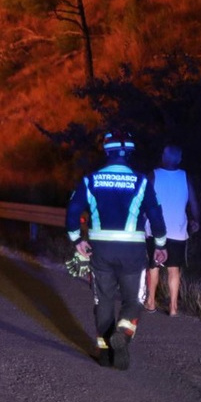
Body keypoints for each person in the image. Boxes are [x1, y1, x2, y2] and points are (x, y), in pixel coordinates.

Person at [66, 130, 167, 371]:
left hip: (101, 250)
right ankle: (123, 332)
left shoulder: (90, 180)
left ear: (106, 151)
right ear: (129, 153)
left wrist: (76, 240)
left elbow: (73, 211)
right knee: (134, 300)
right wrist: (161, 245)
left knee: (103, 300)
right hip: (133, 252)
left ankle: (104, 352)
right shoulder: (142, 181)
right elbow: (156, 215)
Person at [144, 144, 201, 316]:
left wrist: (141, 221)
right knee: (174, 269)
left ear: (163, 156)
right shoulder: (185, 177)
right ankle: (173, 307)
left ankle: (151, 302)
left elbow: (144, 200)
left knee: (153, 266)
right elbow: (194, 202)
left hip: (155, 229)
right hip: (178, 230)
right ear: (180, 159)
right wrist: (196, 220)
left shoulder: (153, 175)